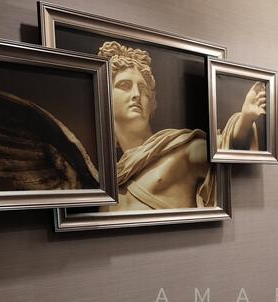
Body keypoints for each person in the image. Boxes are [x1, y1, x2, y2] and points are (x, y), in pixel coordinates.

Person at [97, 41, 265, 211]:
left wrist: (245, 120)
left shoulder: (179, 150)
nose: (136, 94)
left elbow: (221, 148)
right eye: (124, 86)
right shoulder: (111, 181)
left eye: (143, 89)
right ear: (105, 97)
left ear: (152, 102)